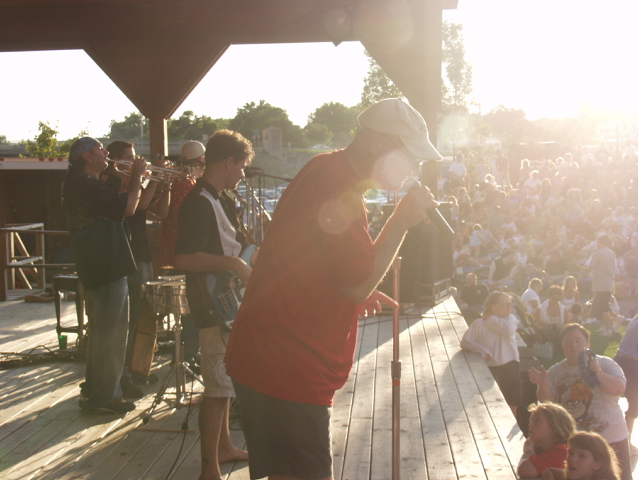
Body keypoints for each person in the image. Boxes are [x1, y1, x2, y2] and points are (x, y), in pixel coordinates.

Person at [224, 98, 441, 480]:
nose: (414, 169)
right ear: (377, 142)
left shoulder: (327, 169)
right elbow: (356, 283)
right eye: (410, 156)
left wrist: (351, 290)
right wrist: (401, 221)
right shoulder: (337, 185)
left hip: (270, 357)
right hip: (285, 365)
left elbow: (307, 257)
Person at [174, 131, 252, 480]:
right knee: (217, 387)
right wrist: (234, 264)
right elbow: (184, 258)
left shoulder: (219, 199)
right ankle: (209, 469)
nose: (243, 174)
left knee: (225, 382)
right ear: (228, 162)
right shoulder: (197, 202)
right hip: (211, 305)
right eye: (242, 166)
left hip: (225, 301)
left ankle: (223, 448)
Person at [63, 137, 146, 413]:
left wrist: (123, 175)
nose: (106, 152)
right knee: (112, 334)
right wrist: (137, 176)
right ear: (87, 156)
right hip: (107, 263)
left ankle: (96, 391)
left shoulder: (83, 183)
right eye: (100, 149)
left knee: (102, 333)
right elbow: (128, 207)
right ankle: (104, 397)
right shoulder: (87, 184)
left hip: (99, 263)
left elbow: (113, 197)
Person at [105, 140, 171, 394]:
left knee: (142, 317)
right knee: (129, 320)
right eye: (130, 158)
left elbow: (161, 211)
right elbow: (139, 206)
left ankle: (135, 369)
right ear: (118, 161)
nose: (136, 162)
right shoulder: (116, 187)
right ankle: (122, 376)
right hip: (130, 258)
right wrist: (151, 178)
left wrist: (164, 184)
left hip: (143, 257)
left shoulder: (134, 185)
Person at [529, 324, 631, 480]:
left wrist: (598, 373)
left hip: (613, 437)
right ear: (562, 345)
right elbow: (549, 405)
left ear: (588, 342)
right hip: (579, 447)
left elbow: (619, 389)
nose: (573, 346)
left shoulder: (605, 363)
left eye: (578, 340)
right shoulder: (555, 371)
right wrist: (543, 384)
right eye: (568, 342)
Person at [159, 141, 206, 368]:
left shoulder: (181, 181)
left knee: (187, 310)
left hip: (175, 253)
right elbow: (187, 222)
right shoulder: (185, 183)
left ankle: (187, 355)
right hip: (183, 256)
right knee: (190, 310)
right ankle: (187, 357)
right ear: (201, 161)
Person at [460, 291, 520, 415]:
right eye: (505, 304)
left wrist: (490, 319)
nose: (509, 307)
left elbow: (508, 330)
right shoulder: (479, 324)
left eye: (510, 304)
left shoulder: (511, 320)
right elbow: (465, 342)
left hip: (510, 365)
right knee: (489, 403)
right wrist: (483, 350)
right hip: (488, 367)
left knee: (512, 401)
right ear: (493, 306)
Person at [517, 402, 577, 478]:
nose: (530, 425)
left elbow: (525, 470)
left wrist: (529, 452)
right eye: (531, 421)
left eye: (538, 421)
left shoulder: (563, 451)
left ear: (555, 427)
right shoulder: (544, 449)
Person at [543, 432, 621, 480]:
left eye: (582, 456)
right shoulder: (581, 475)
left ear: (597, 465)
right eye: (571, 453)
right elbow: (550, 472)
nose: (572, 459)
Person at [613, 315, 638, 457]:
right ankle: (626, 443)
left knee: (610, 399)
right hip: (630, 363)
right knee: (635, 403)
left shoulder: (635, 318)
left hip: (620, 359)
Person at [583, 234, 617, 336]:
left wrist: (577, 264)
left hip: (601, 284)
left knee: (603, 308)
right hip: (608, 283)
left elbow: (589, 268)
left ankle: (608, 329)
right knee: (597, 309)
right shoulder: (611, 253)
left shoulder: (597, 254)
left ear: (600, 242)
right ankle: (609, 325)